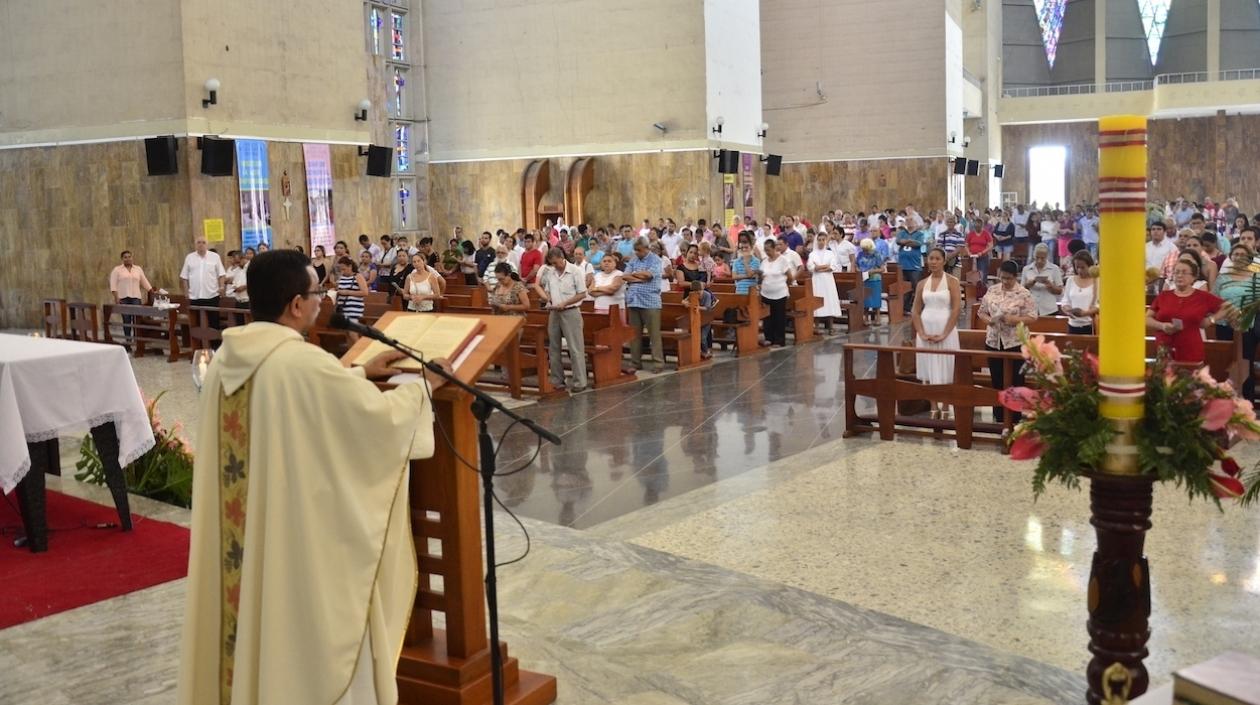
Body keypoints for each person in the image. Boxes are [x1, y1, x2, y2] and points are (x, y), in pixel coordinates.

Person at [176, 249, 447, 705]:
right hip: (289, 546)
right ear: (295, 305)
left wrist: (356, 369)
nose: (323, 300)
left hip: (242, 541)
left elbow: (292, 403)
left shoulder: (228, 359)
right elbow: (375, 420)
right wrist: (424, 388)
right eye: (316, 292)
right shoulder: (300, 363)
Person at [977, 260, 1037, 423]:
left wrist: (1015, 319)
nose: (1005, 281)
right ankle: (999, 416)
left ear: (1015, 277)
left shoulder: (1023, 293)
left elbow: (1032, 316)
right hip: (994, 341)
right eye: (1002, 278)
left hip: (1015, 342)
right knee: (997, 379)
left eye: (1008, 278)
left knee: (1016, 381)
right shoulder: (992, 290)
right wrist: (989, 320)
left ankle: (1015, 417)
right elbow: (981, 312)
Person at [1148, 258, 1233, 364]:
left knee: (1189, 379)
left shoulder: (1202, 297)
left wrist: (1210, 320)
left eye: (1184, 272)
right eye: (1176, 272)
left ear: (1193, 277)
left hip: (1191, 349)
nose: (1179, 275)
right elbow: (1146, 319)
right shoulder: (1164, 296)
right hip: (1164, 349)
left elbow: (1228, 306)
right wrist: (1162, 326)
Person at [912, 248, 962, 419]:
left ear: (944, 261)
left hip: (945, 328)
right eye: (930, 258)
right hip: (926, 328)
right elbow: (915, 311)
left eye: (937, 259)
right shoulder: (921, 284)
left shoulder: (952, 281)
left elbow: (956, 309)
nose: (933, 262)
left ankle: (946, 406)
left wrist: (944, 333)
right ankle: (934, 406)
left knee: (946, 366)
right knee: (928, 367)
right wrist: (921, 332)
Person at [537, 247, 588, 392]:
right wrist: (548, 300)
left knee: (575, 348)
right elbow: (547, 290)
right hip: (554, 313)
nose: (555, 266)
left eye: (556, 263)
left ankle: (580, 382)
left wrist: (565, 303)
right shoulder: (551, 273)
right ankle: (557, 380)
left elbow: (582, 294)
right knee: (554, 347)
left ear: (562, 257)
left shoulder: (575, 271)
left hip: (570, 312)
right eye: (552, 263)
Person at [1215, 242, 1260, 399]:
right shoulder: (1222, 278)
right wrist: (1228, 314)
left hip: (1247, 325)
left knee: (1245, 361)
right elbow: (1215, 300)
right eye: (1236, 254)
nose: (1239, 257)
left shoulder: (1257, 276)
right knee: (1226, 361)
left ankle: (1246, 399)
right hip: (1224, 324)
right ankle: (1225, 398)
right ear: (1230, 257)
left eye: (1243, 255)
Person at [623, 238, 665, 373]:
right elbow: (625, 276)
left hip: (650, 302)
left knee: (654, 335)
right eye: (635, 250)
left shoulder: (656, 260)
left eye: (639, 250)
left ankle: (658, 363)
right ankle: (635, 362)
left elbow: (649, 275)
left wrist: (635, 276)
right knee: (634, 335)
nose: (637, 253)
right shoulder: (634, 260)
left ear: (647, 248)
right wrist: (639, 277)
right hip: (634, 301)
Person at [180, 236, 227, 328]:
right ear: (195, 245)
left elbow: (222, 274)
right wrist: (186, 292)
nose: (201, 245)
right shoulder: (189, 257)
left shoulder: (215, 257)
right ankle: (199, 342)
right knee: (196, 323)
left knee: (213, 323)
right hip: (195, 297)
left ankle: (214, 342)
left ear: (207, 245)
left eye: (203, 242)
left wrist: (221, 287)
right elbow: (184, 277)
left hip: (212, 295)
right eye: (199, 242)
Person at [759, 239, 796, 347]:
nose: (767, 252)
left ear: (775, 248)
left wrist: (785, 285)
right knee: (767, 318)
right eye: (765, 250)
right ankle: (768, 338)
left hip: (780, 293)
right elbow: (762, 275)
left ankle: (779, 340)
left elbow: (790, 277)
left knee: (779, 317)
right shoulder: (764, 261)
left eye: (769, 250)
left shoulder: (782, 260)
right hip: (766, 293)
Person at [110, 250, 155, 340]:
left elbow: (144, 281)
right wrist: (116, 297)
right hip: (123, 297)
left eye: (129, 257)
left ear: (132, 257)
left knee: (137, 319)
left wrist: (151, 291)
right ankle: (128, 341)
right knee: (127, 320)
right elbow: (113, 284)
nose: (128, 259)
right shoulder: (117, 270)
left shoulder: (137, 269)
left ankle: (137, 340)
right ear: (122, 259)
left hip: (135, 298)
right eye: (125, 257)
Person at [1059, 251, 1099, 334]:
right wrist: (1067, 310)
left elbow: (1100, 303)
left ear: (1090, 266)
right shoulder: (1070, 280)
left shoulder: (1097, 281)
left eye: (1083, 267)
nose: (1079, 270)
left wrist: (1085, 313)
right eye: (1077, 267)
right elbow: (1065, 300)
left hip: (1090, 325)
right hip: (1072, 325)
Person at [808, 234, 843, 323]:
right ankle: (817, 326)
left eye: (823, 240)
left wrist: (819, 267)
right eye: (819, 240)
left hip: (828, 281)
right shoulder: (812, 254)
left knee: (829, 301)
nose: (821, 242)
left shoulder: (830, 253)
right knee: (817, 300)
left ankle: (831, 326)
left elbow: (832, 266)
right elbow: (811, 267)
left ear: (825, 241)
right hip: (817, 280)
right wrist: (824, 266)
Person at [1021, 244, 1064, 317]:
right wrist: (1028, 285)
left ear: (1047, 257)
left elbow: (1060, 291)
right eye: (1037, 258)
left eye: (1042, 258)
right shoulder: (1026, 269)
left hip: (1049, 309)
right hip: (1030, 308)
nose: (1039, 261)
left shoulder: (1054, 269)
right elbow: (1021, 290)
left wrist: (1051, 286)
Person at [333, 256, 369, 335]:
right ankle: (351, 347)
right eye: (340, 270)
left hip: (354, 307)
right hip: (343, 307)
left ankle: (358, 347)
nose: (342, 272)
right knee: (347, 333)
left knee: (352, 331)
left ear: (350, 266)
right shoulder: (341, 278)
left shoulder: (358, 276)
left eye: (344, 269)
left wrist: (347, 292)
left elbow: (365, 292)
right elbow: (339, 290)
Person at [589, 254, 626, 318]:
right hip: (599, 308)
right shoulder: (597, 275)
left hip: (616, 310)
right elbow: (590, 291)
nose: (606, 263)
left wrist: (597, 288)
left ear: (615, 264)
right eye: (604, 261)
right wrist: (607, 291)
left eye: (609, 261)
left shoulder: (619, 274)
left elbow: (612, 289)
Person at [856, 238, 883, 324]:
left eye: (866, 249)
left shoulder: (876, 254)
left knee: (876, 298)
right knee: (866, 299)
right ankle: (866, 317)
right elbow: (856, 264)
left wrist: (872, 271)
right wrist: (858, 270)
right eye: (863, 249)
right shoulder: (860, 254)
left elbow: (882, 269)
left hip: (874, 279)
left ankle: (878, 317)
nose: (865, 251)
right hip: (864, 279)